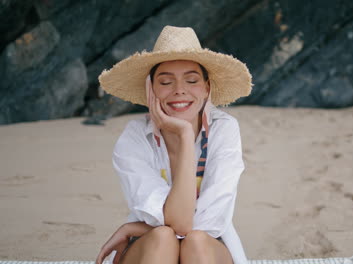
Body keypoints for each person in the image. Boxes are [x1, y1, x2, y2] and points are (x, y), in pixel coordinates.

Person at [95, 25, 252, 264]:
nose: (180, 91)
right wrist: (186, 135)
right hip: (149, 248)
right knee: (162, 238)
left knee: (196, 241)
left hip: (208, 245)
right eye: (166, 82)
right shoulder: (135, 137)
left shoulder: (224, 129)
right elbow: (173, 226)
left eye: (191, 80)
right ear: (151, 89)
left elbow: (210, 222)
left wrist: (134, 228)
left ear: (207, 88)